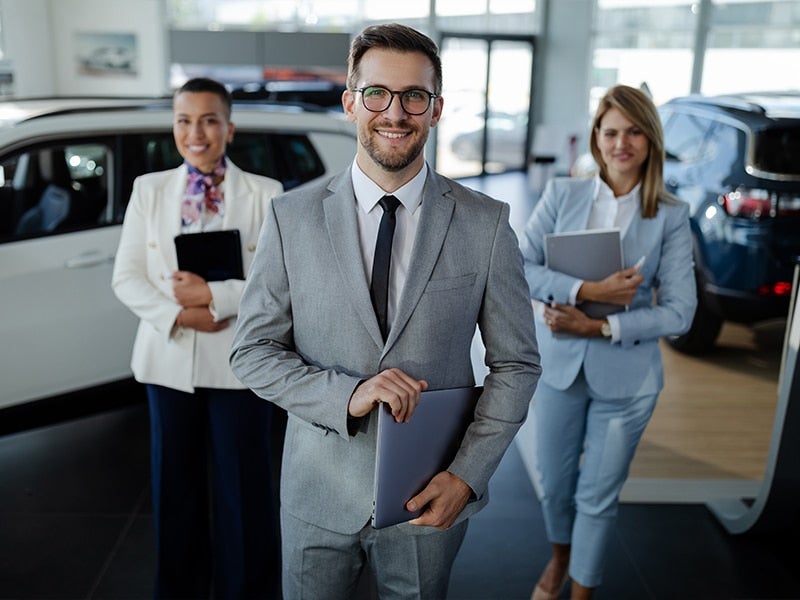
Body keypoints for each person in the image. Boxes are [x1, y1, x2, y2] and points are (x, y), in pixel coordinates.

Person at [229, 22, 541, 600]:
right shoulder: (290, 219)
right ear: (350, 102)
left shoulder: (486, 224)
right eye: (377, 93)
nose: (394, 113)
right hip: (316, 495)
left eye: (414, 96)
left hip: (430, 495)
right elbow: (251, 352)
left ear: (436, 108)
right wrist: (347, 395)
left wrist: (467, 477)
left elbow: (517, 365)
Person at [519, 84, 697, 600]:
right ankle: (559, 559)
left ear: (650, 140)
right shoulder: (563, 194)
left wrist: (600, 325)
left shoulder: (670, 214)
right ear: (596, 137)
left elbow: (681, 312)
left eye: (635, 131)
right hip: (559, 368)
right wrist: (585, 291)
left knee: (598, 495)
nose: (623, 143)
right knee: (555, 485)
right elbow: (519, 265)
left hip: (629, 375)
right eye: (612, 131)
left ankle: (581, 591)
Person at [111, 77, 283, 599]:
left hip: (239, 364)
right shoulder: (149, 189)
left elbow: (274, 283)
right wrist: (181, 316)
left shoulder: (265, 194)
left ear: (229, 128)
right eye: (185, 120)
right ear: (174, 127)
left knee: (244, 496)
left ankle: (247, 591)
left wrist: (214, 297)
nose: (197, 133)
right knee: (175, 493)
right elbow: (126, 277)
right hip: (168, 363)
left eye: (209, 120)